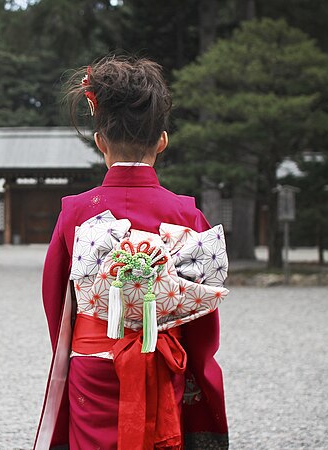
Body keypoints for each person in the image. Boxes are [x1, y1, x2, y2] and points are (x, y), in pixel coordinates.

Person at [34, 56, 228, 449]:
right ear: (162, 140)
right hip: (162, 358)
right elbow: (202, 311)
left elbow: (56, 301)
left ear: (100, 142)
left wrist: (74, 354)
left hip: (92, 365)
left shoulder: (75, 212)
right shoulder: (186, 214)